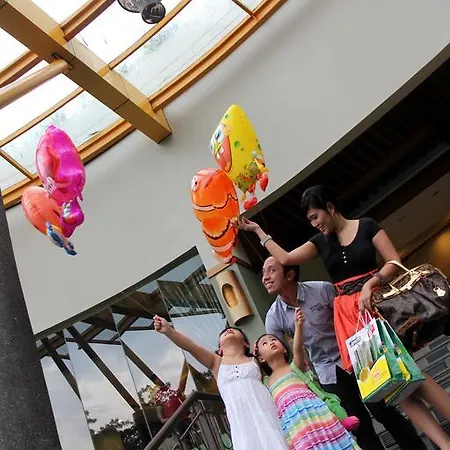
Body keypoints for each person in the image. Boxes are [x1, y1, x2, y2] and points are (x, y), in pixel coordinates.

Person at [239, 184, 450, 449]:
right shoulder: (320, 242)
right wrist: (258, 231)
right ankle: (443, 444)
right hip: (349, 322)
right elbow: (287, 257)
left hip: (374, 308)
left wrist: (371, 283)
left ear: (330, 207)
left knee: (409, 373)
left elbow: (394, 261)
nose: (314, 224)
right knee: (396, 387)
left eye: (315, 216)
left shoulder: (367, 226)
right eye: (310, 220)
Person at [260, 256, 424, 450]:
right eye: (263, 272)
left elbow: (348, 317)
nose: (265, 277)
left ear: (290, 275)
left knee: (385, 412)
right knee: (359, 427)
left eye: (271, 270)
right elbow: (281, 355)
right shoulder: (273, 317)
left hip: (357, 359)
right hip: (327, 373)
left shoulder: (322, 289)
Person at [153, 315, 288, 450]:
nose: (228, 330)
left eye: (235, 330)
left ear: (246, 344)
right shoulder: (216, 363)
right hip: (241, 423)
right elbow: (190, 346)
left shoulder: (255, 361)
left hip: (267, 413)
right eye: (223, 333)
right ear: (220, 349)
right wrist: (168, 331)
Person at [255, 308, 360, 450]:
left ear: (284, 349)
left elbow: (298, 348)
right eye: (264, 343)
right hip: (296, 427)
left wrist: (298, 326)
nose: (271, 342)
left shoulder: (294, 367)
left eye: (274, 339)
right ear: (260, 358)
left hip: (318, 414)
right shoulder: (266, 382)